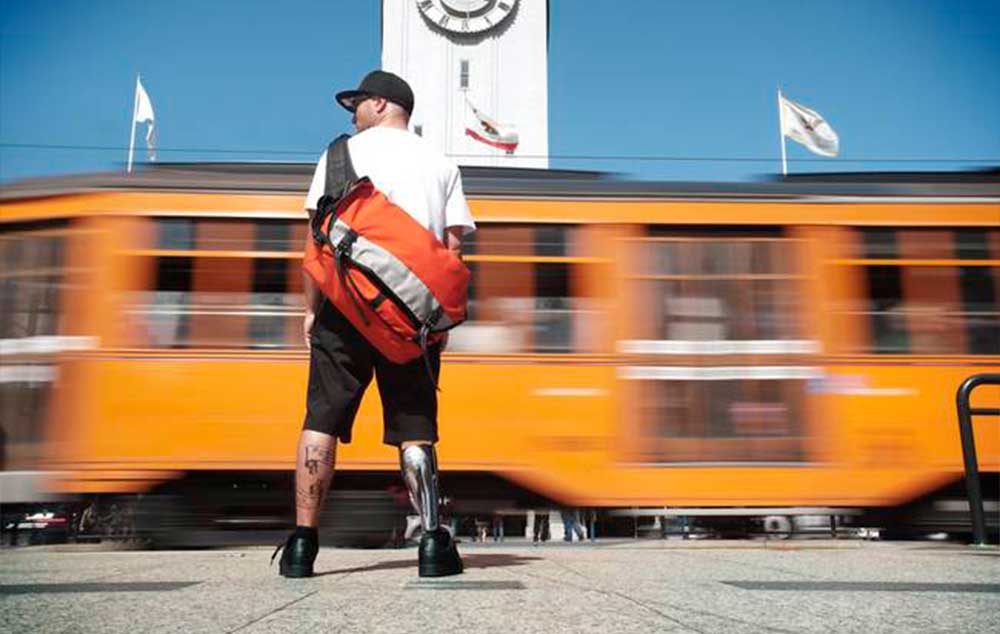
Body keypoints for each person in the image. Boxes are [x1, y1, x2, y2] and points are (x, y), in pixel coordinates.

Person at [273, 70, 476, 578]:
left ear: (383, 104)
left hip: (342, 309)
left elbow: (314, 244)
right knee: (415, 430)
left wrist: (311, 309)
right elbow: (452, 251)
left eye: (359, 102)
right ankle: (432, 543)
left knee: (320, 422)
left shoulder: (340, 156)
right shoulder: (442, 165)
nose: (352, 113)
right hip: (411, 318)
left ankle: (302, 546)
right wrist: (440, 322)